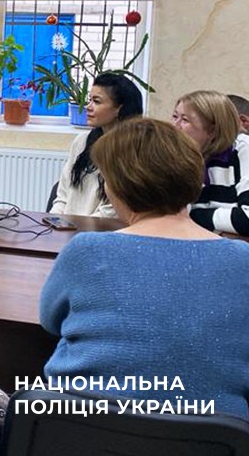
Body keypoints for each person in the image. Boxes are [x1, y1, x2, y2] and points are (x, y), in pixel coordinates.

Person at [40, 118, 249, 418]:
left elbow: (50, 321)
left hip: (81, 427)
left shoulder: (87, 250)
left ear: (117, 186)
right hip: (214, 434)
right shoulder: (242, 260)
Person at [49, 72, 142, 217]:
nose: (88, 107)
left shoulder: (132, 150)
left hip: (103, 228)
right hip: (68, 225)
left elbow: (113, 211)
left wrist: (79, 227)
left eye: (97, 102)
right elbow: (62, 194)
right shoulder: (81, 141)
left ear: (119, 108)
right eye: (89, 100)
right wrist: (54, 220)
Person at [172, 90, 249, 236]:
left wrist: (196, 217)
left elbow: (247, 219)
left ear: (213, 129)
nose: (174, 126)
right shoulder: (179, 157)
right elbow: (169, 221)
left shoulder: (243, 148)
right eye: (175, 117)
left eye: (185, 120)